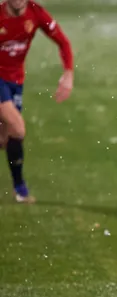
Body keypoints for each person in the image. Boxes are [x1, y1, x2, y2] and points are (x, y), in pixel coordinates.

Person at [0, 0, 73, 203]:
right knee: (18, 128)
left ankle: (18, 188)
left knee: (5, 140)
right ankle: (20, 188)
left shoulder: (36, 13)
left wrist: (68, 73)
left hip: (15, 80)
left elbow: (63, 42)